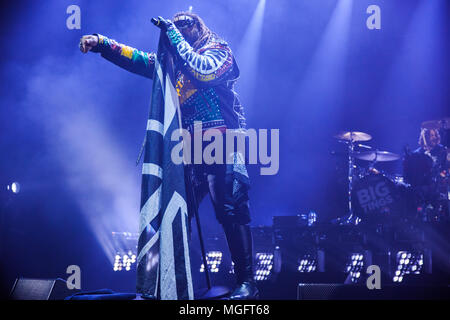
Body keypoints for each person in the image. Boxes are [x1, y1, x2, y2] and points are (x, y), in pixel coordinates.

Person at [79, 11, 259, 300]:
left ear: (197, 27)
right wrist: (102, 43)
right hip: (185, 145)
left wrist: (172, 34)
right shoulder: (174, 61)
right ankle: (176, 282)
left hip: (220, 138)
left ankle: (247, 282)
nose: (178, 34)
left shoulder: (218, 50)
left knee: (229, 210)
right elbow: (139, 59)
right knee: (175, 213)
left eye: (183, 28)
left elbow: (204, 70)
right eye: (176, 30)